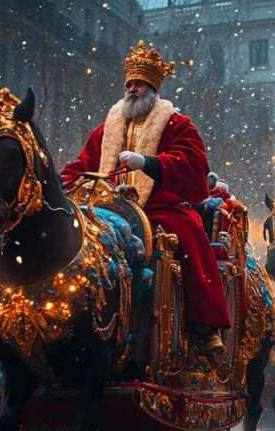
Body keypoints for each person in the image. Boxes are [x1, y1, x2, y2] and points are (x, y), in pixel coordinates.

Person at [60, 41, 230, 358]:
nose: (133, 89)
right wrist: (62, 180)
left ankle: (205, 326)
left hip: (159, 208)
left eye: (139, 84)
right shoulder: (106, 129)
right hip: (106, 208)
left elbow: (193, 166)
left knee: (191, 236)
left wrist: (149, 163)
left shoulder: (179, 124)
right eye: (129, 84)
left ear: (153, 89)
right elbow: (84, 164)